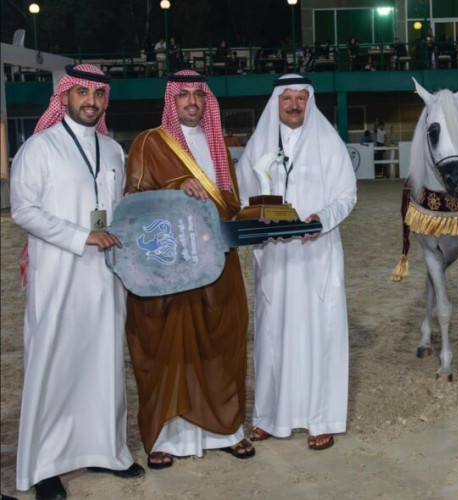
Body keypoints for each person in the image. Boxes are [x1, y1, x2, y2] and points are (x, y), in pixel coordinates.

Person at [10, 64, 144, 500]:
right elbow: (23, 211)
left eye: (99, 95)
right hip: (59, 274)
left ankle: (106, 450)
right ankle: (46, 465)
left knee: (104, 361)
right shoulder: (40, 147)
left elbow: (118, 208)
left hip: (105, 277)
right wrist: (80, 236)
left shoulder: (113, 149)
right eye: (82, 92)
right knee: (56, 364)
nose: (91, 101)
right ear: (64, 97)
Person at [124, 70, 253, 470]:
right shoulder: (150, 143)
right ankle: (166, 436)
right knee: (167, 346)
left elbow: (229, 202)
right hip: (169, 267)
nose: (192, 101)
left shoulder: (219, 147)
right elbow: (132, 201)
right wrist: (176, 188)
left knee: (222, 337)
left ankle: (226, 431)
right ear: (172, 102)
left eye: (199, 94)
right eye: (184, 96)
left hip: (216, 260)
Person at [236, 74, 357, 450]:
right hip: (275, 254)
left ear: (310, 101)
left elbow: (347, 194)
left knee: (320, 331)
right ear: (276, 102)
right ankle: (270, 417)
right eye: (286, 98)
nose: (293, 105)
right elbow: (243, 195)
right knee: (273, 333)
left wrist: (320, 219)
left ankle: (320, 418)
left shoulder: (327, 141)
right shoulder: (259, 144)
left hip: (315, 251)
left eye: (300, 99)